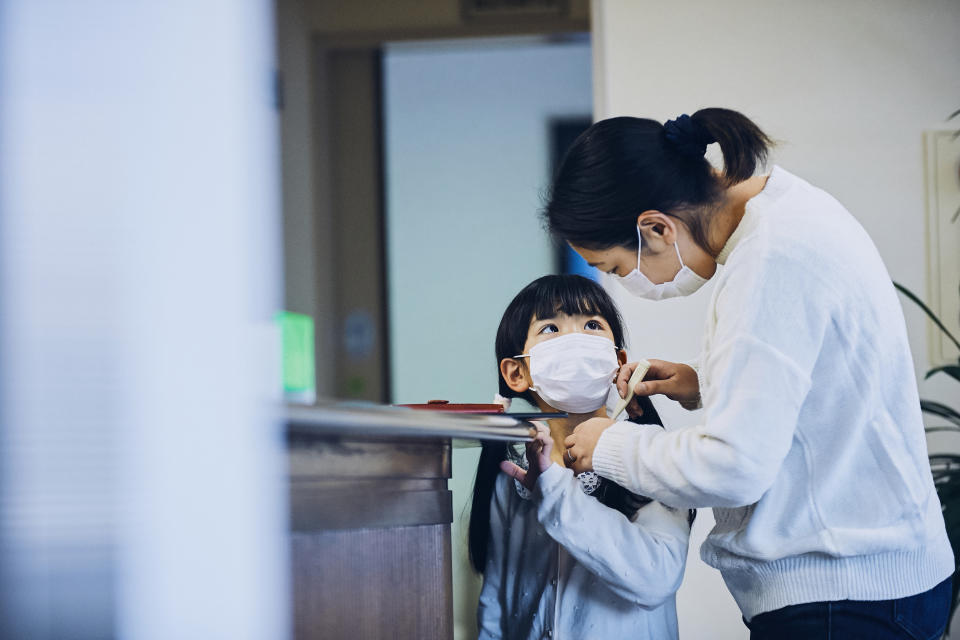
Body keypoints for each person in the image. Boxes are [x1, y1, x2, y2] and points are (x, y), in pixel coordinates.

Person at [548, 108, 954, 639]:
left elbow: (733, 467)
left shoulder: (771, 260)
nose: (626, 284)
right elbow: (821, 381)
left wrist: (609, 445)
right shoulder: (789, 209)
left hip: (842, 596)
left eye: (615, 268)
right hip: (871, 584)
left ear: (655, 227)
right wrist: (708, 382)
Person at [469, 274, 692, 640]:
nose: (575, 340)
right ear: (517, 372)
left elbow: (657, 577)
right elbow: (497, 597)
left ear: (618, 360)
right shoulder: (512, 466)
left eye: (592, 325)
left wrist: (555, 489)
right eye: (551, 328)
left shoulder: (648, 452)